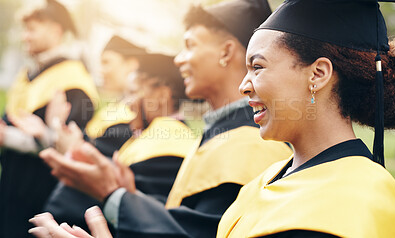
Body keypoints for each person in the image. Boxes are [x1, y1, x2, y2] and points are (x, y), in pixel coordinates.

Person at [30, 0, 292, 237]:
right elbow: (185, 216)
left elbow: (205, 231)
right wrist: (131, 196)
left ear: (226, 53)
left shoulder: (253, 142)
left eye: (190, 45)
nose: (179, 60)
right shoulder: (220, 133)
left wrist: (114, 194)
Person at [216, 0, 395, 237]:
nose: (243, 86)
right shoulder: (266, 178)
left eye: (258, 66)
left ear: (318, 74)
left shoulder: (353, 198)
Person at [41, 53, 198, 232]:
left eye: (134, 92)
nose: (128, 104)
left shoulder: (170, 143)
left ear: (162, 95)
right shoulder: (152, 135)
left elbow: (135, 209)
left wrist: (72, 150)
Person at [0, 0, 98, 237]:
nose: (25, 36)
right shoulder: (28, 75)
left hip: (43, 197)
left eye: (32, 29)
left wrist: (8, 137)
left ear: (55, 30)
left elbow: (69, 146)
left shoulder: (74, 81)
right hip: (11, 187)